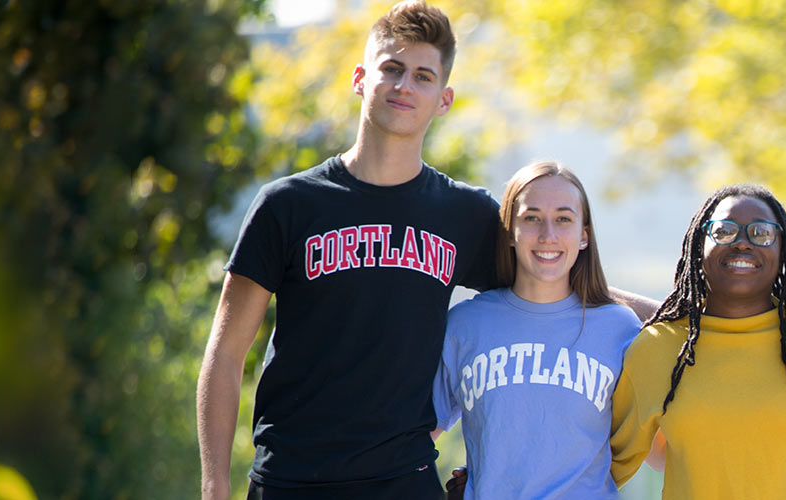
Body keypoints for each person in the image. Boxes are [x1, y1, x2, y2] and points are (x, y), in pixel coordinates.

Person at [195, 4, 650, 498]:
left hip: (403, 479)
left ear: (444, 98)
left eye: (423, 76)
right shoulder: (288, 205)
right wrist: (214, 486)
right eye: (391, 68)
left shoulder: (464, 214)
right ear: (360, 78)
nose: (404, 86)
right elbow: (227, 352)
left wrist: (677, 311)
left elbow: (548, 268)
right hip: (290, 476)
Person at [608, 185, 786, 500]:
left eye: (761, 233)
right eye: (724, 231)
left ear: (783, 250)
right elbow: (601, 469)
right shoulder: (656, 349)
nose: (742, 243)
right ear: (699, 245)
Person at [427, 162, 641, 499]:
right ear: (509, 231)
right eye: (532, 218)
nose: (548, 235)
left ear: (584, 235)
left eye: (564, 219)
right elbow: (418, 439)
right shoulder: (466, 324)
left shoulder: (621, 328)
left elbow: (656, 442)